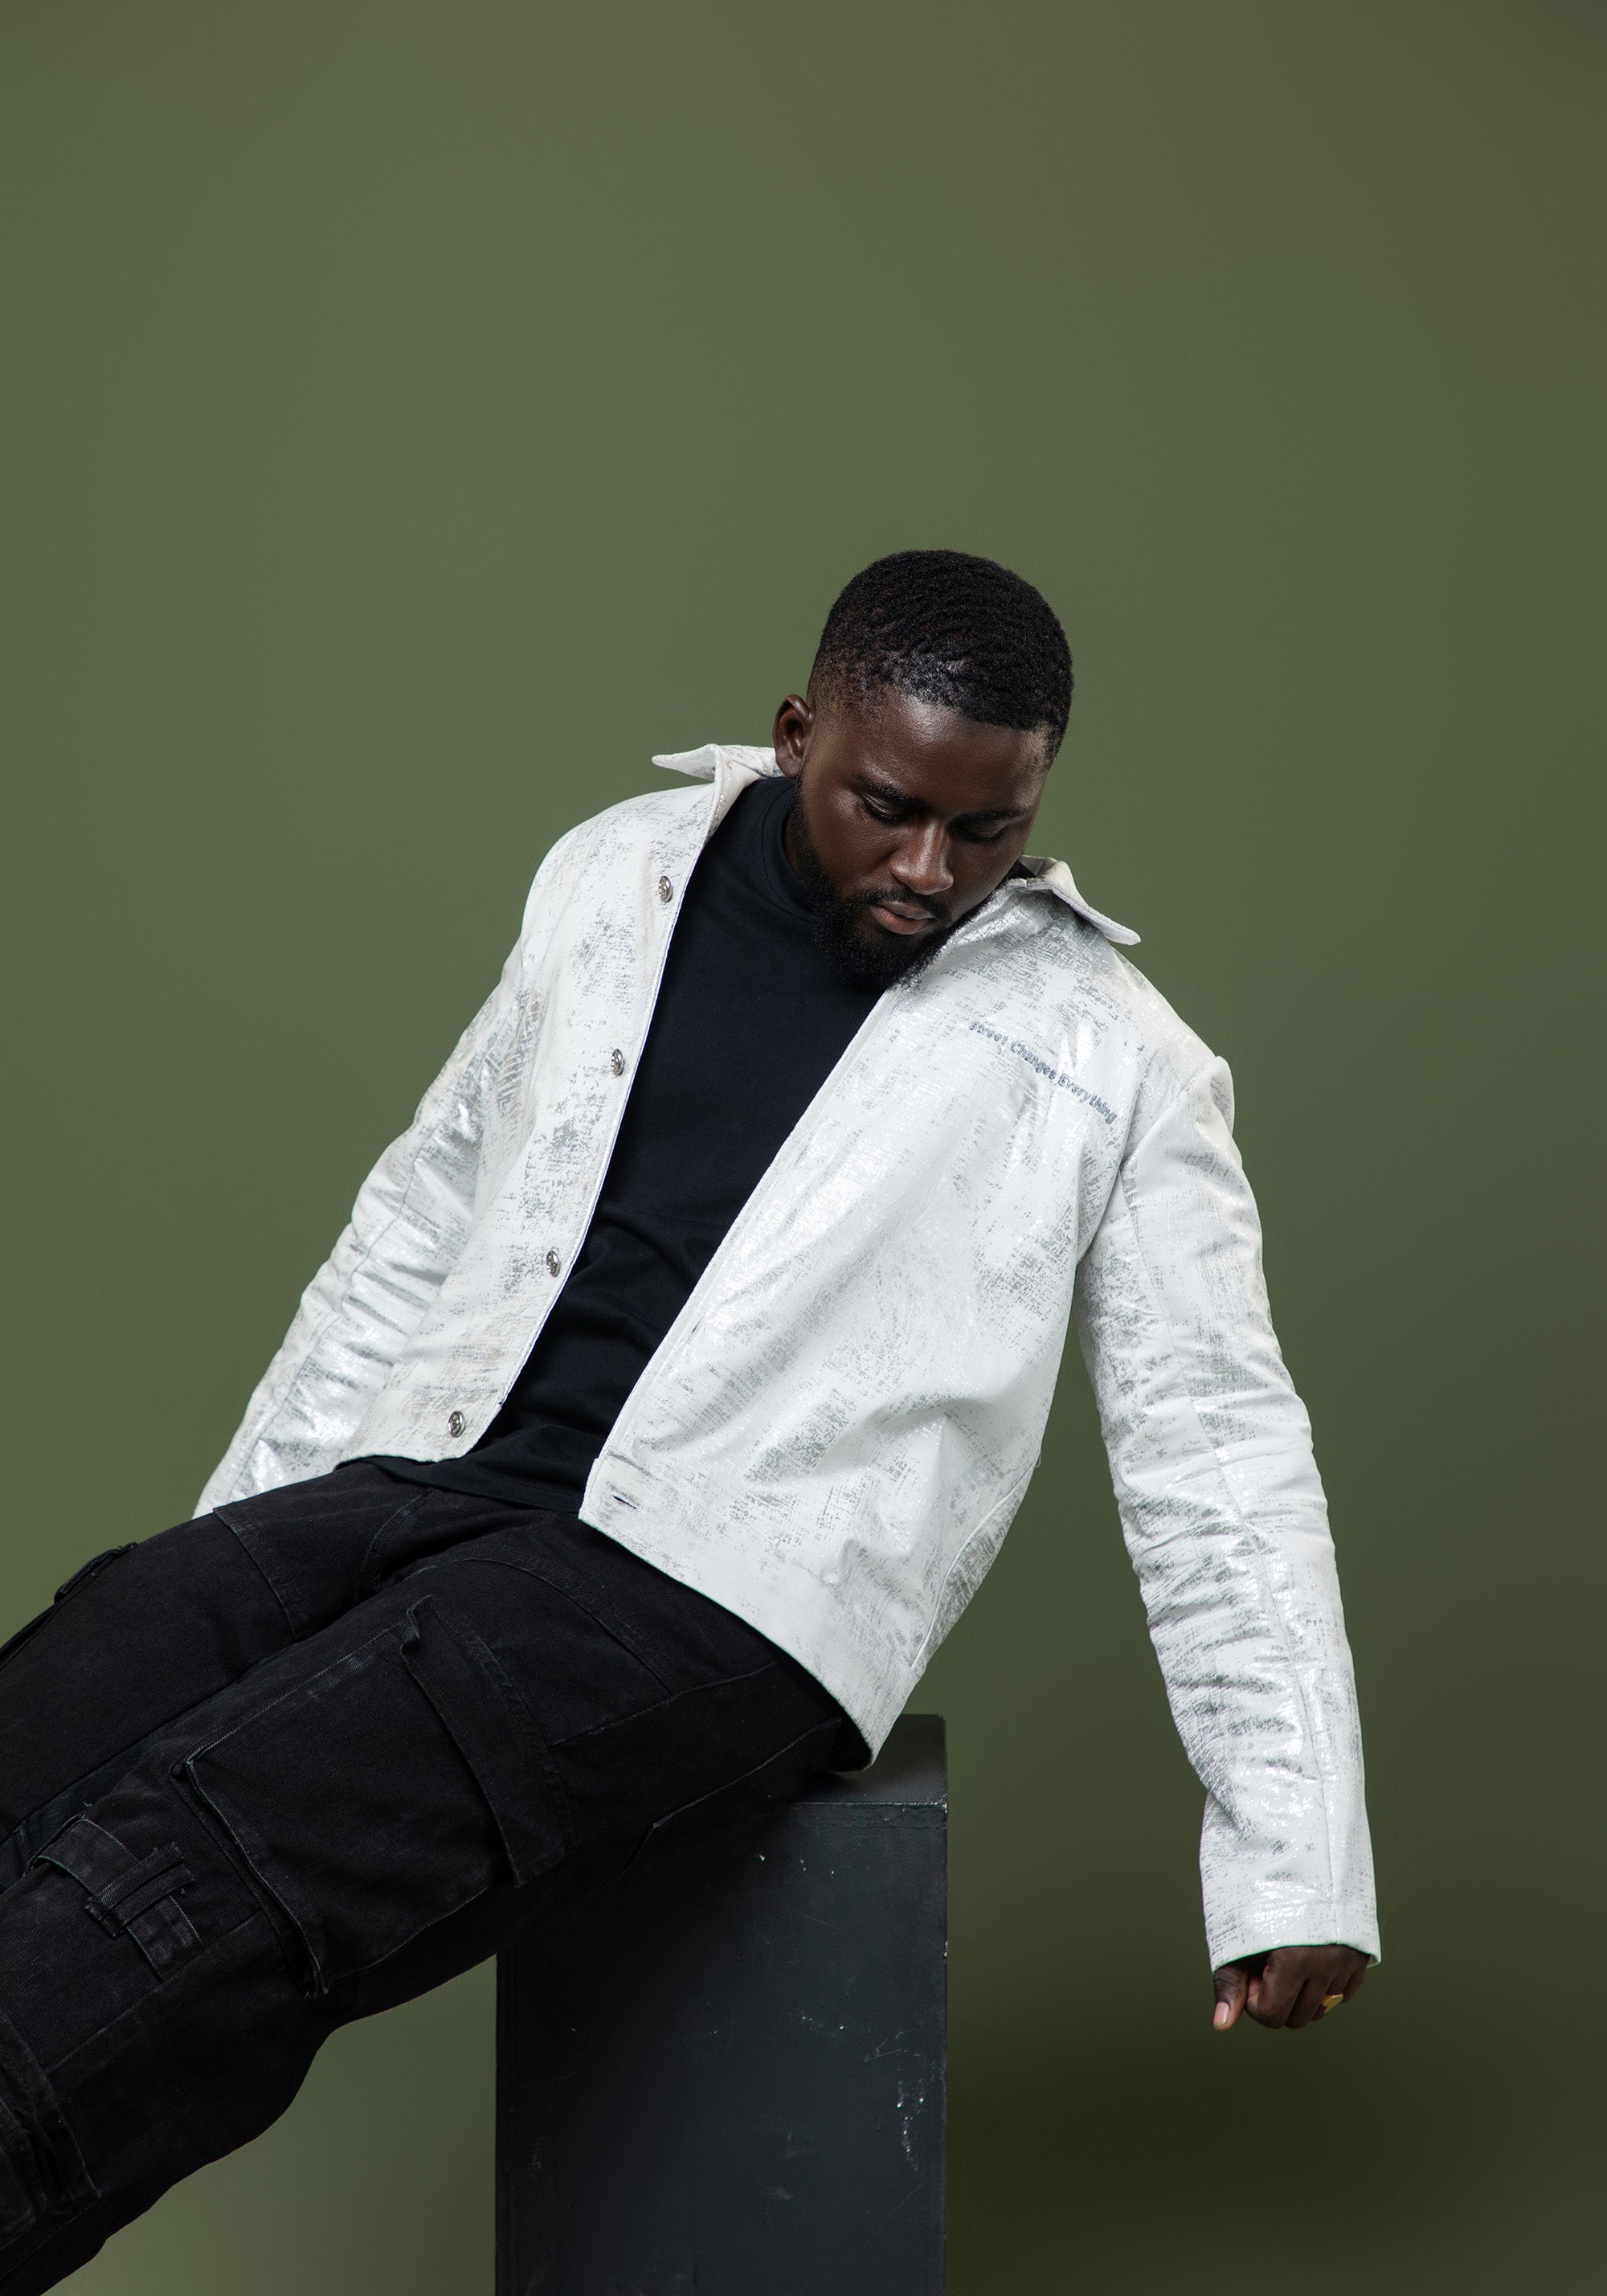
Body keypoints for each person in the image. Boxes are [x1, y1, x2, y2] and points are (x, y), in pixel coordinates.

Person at [0, 550, 1376, 2290]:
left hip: (717, 1586)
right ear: (798, 733)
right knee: (83, 1684)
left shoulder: (1113, 1061)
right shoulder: (619, 869)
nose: (929, 871)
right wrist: (253, 1547)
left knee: (200, 1859)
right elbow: (427, 1208)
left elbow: (1216, 1453)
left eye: (988, 831)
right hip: (442, 1467)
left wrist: (1291, 1857)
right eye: (887, 809)